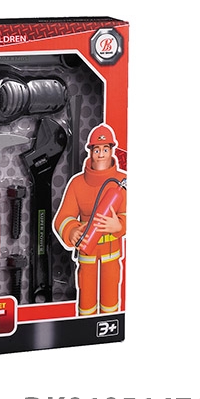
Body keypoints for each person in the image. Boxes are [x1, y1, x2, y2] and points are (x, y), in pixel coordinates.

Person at [54, 124, 126, 316]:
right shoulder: (77, 183)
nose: (101, 154)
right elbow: (62, 217)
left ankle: (109, 322)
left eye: (105, 149)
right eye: (97, 150)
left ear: (112, 151)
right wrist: (71, 231)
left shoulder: (121, 183)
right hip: (87, 250)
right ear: (91, 152)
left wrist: (118, 225)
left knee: (111, 292)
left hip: (111, 251)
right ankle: (85, 323)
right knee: (86, 291)